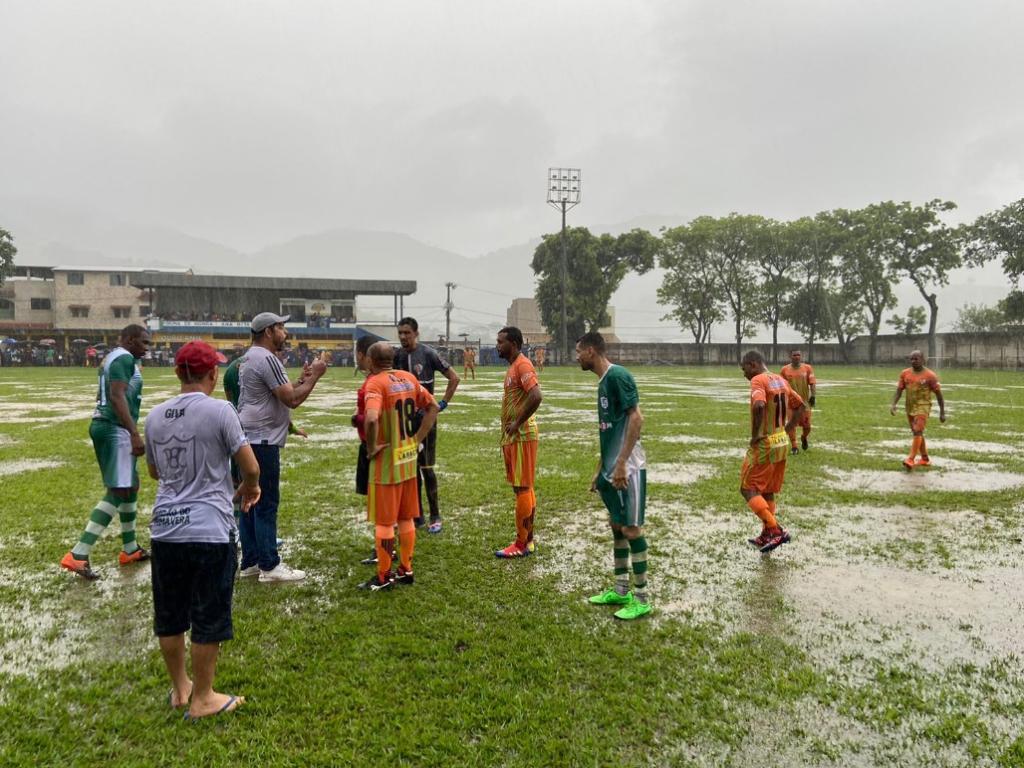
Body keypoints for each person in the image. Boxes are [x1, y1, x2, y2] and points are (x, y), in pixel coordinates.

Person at [145, 341, 260, 720]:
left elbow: (155, 472)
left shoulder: (155, 415)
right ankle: (204, 696)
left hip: (165, 530)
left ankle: (180, 688)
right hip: (209, 529)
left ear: (179, 373)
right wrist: (249, 486)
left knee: (171, 613)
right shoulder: (221, 410)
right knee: (208, 613)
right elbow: (251, 466)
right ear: (212, 374)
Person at [236, 312, 327, 582]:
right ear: (268, 331)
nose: (285, 333)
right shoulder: (267, 358)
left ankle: (251, 561)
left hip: (248, 437)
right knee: (265, 501)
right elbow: (291, 400)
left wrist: (300, 380)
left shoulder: (249, 357)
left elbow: (276, 392)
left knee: (250, 500)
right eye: (281, 328)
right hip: (262, 439)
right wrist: (316, 377)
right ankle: (269, 565)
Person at [61, 324, 151, 579]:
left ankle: (130, 548)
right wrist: (134, 433)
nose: (147, 348)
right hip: (115, 428)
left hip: (109, 425)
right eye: (144, 343)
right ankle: (78, 554)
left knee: (130, 485)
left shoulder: (113, 357)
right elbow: (117, 395)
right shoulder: (123, 358)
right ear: (130, 340)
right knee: (119, 489)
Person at [576, 332, 652, 621]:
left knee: (631, 529)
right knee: (617, 525)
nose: (577, 356)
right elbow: (609, 430)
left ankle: (642, 598)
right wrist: (600, 470)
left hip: (628, 467)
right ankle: (621, 591)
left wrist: (620, 464)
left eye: (579, 351)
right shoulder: (602, 383)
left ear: (592, 351)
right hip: (611, 468)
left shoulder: (618, 376)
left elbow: (636, 418)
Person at [360, 342, 439, 590]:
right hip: (407, 459)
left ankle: (384, 577)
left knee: (384, 523)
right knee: (406, 518)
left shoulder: (375, 382)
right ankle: (406, 569)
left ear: (371, 361)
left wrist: (372, 447)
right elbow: (433, 407)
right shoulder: (408, 378)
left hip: (386, 463)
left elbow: (372, 418)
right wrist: (417, 438)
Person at [394, 317, 460, 534]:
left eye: (407, 333)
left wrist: (442, 404)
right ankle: (417, 515)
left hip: (426, 421)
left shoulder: (429, 354)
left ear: (416, 333)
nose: (403, 337)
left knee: (427, 468)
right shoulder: (397, 357)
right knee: (409, 469)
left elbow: (454, 378)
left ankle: (435, 515)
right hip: (404, 422)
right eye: (400, 333)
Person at [739, 350, 806, 553]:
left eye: (744, 370)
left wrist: (755, 434)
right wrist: (788, 429)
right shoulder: (780, 379)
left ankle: (775, 529)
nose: (744, 375)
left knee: (747, 489)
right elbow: (800, 405)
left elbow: (759, 405)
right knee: (767, 490)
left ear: (752, 364)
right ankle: (767, 533)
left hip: (766, 443)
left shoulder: (758, 380)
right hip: (782, 442)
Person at [495, 326, 542, 558]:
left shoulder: (522, 364)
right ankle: (529, 539)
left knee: (522, 486)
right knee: (522, 486)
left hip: (522, 435)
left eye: (500, 342)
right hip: (515, 436)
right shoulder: (513, 366)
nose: (497, 346)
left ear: (513, 343)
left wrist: (517, 423)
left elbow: (536, 395)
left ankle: (521, 543)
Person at [350, 335, 381, 566]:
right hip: (381, 445)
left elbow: (372, 418)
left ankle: (383, 547)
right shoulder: (390, 379)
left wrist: (356, 418)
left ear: (363, 355)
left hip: (374, 447)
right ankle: (383, 544)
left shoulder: (373, 384)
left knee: (379, 501)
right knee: (378, 500)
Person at [890, 349, 946, 470]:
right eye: (911, 359)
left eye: (916, 358)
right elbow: (899, 390)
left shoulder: (930, 375)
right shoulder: (905, 373)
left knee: (917, 431)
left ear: (922, 360)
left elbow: (939, 395)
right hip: (909, 407)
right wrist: (893, 404)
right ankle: (925, 459)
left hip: (923, 406)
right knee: (917, 433)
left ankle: (911, 459)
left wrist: (942, 412)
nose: (913, 361)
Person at [779, 349, 817, 454]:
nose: (796, 357)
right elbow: (781, 385)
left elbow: (812, 383)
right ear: (790, 357)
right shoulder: (785, 370)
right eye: (794, 355)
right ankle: (794, 446)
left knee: (807, 426)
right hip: (791, 403)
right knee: (791, 425)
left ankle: (804, 437)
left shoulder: (807, 368)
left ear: (801, 356)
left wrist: (813, 396)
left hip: (804, 404)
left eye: (798, 355)